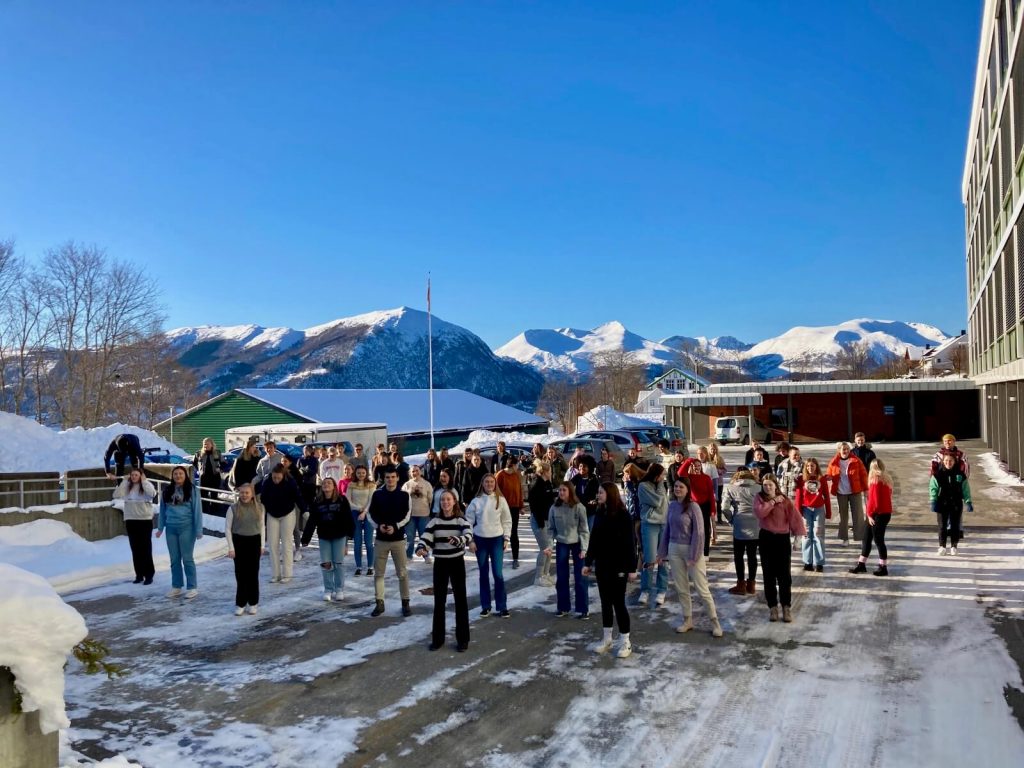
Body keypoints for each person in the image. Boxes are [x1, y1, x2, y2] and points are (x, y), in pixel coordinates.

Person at [658, 477, 723, 637]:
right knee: (681, 588)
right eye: (676, 486)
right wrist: (661, 552)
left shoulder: (693, 507)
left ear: (687, 489)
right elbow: (667, 530)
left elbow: (699, 533)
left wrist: (694, 556)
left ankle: (715, 622)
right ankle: (687, 620)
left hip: (691, 550)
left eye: (681, 487)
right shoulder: (672, 505)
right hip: (674, 550)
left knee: (702, 589)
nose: (677, 489)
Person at [584, 483, 637, 657]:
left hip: (619, 566)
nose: (598, 495)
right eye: (598, 492)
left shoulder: (623, 516)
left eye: (601, 492)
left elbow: (630, 544)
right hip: (602, 565)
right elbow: (594, 540)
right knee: (605, 602)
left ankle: (625, 641)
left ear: (610, 494)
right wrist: (588, 562)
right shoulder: (600, 513)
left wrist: (631, 568)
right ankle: (607, 638)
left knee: (618, 603)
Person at [416, 490, 473, 652]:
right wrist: (422, 547)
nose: (445, 503)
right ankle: (438, 639)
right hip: (440, 563)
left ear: (454, 501)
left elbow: (468, 534)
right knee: (439, 601)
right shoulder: (434, 521)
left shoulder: (460, 520)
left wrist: (460, 540)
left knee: (461, 600)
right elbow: (426, 537)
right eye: (442, 500)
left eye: (448, 499)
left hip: (456, 562)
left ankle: (463, 640)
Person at [753, 474, 805, 623]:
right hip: (766, 538)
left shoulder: (785, 500)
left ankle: (786, 607)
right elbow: (760, 512)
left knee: (784, 576)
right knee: (768, 575)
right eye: (765, 485)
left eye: (770, 485)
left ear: (776, 485)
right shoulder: (759, 498)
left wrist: (798, 537)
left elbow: (795, 518)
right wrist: (773, 501)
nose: (767, 487)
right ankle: (773, 607)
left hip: (782, 539)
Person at [466, 474, 513, 618]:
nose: (489, 484)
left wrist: (506, 538)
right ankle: (485, 606)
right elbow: (468, 522)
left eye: (492, 482)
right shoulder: (476, 501)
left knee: (498, 574)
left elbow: (507, 520)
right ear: (483, 484)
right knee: (483, 574)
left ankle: (502, 606)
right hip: (480, 540)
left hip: (497, 540)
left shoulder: (501, 500)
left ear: (495, 483)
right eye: (486, 482)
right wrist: (471, 540)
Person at [367, 467, 412, 617]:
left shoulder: (405, 495)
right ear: (384, 478)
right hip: (381, 540)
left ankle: (405, 603)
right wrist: (378, 526)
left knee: (402, 573)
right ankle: (379, 603)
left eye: (393, 477)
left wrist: (396, 526)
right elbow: (370, 513)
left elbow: (408, 515)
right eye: (387, 477)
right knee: (378, 573)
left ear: (398, 478)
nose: (390, 480)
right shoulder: (377, 494)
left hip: (398, 540)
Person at [302, 477, 355, 602]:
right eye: (324, 483)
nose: (326, 485)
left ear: (334, 486)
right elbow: (312, 521)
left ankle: (339, 589)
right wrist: (306, 538)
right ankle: (328, 589)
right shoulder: (317, 502)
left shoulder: (342, 500)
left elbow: (348, 518)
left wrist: (349, 535)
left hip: (339, 536)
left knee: (338, 563)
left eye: (329, 483)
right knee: (326, 564)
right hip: (324, 536)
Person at [156, 465, 203, 599]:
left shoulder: (193, 490)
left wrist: (198, 529)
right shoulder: (167, 490)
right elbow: (163, 511)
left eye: (180, 474)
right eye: (175, 474)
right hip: (171, 528)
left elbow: (197, 511)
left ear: (185, 475)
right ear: (172, 476)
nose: (178, 476)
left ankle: (192, 587)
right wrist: (160, 528)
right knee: (174, 559)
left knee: (187, 558)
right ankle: (176, 586)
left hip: (187, 528)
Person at [544, 482, 590, 619]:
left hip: (577, 543)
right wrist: (549, 545)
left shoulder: (579, 507)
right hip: (562, 543)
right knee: (562, 576)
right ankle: (563, 607)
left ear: (570, 492)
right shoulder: (554, 508)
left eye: (564, 490)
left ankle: (583, 608)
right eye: (560, 490)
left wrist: (584, 548)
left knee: (580, 576)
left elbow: (584, 530)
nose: (561, 493)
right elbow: (551, 530)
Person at [225, 483, 265, 615]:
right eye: (242, 492)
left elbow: (262, 527)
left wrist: (262, 545)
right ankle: (241, 602)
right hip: (239, 542)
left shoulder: (260, 508)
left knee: (253, 574)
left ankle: (253, 602)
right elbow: (227, 529)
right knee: (241, 574)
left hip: (254, 541)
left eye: (247, 492)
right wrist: (231, 547)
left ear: (252, 494)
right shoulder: (233, 509)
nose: (244, 495)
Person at [259, 464, 303, 584]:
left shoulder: (291, 482)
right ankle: (276, 574)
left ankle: (287, 574)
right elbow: (263, 498)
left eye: (279, 478)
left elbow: (298, 497)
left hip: (288, 513)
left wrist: (305, 509)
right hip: (272, 514)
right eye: (274, 478)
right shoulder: (267, 481)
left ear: (283, 475)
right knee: (272, 544)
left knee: (286, 543)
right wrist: (263, 512)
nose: (276, 480)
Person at [113, 469, 157, 584]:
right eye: (132, 475)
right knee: (135, 549)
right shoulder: (127, 486)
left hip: (144, 520)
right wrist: (123, 481)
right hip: (131, 520)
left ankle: (149, 575)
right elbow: (116, 495)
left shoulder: (146, 485)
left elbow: (152, 494)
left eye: (136, 475)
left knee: (146, 549)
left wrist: (144, 481)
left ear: (140, 476)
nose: (133, 477)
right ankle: (139, 574)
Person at [850, 460, 893, 576]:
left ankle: (883, 567)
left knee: (878, 540)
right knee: (867, 538)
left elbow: (874, 502)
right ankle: (861, 564)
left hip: (877, 514)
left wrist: (869, 514)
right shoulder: (887, 480)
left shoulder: (875, 481)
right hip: (885, 513)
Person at [722, 469, 760, 596]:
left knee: (738, 556)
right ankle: (751, 584)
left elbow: (724, 508)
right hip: (755, 524)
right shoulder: (758, 488)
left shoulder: (731, 488)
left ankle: (740, 584)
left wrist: (731, 519)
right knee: (752, 556)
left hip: (739, 523)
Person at [637, 463, 669, 607]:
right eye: (662, 475)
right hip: (649, 524)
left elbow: (664, 503)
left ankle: (662, 590)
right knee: (649, 558)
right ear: (656, 475)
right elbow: (657, 501)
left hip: (664, 524)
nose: (663, 477)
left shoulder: (661, 485)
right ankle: (645, 590)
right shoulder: (643, 486)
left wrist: (661, 486)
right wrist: (661, 486)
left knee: (663, 559)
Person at [930, 450, 973, 555]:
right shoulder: (937, 474)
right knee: (942, 525)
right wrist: (933, 501)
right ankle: (942, 546)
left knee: (955, 525)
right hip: (942, 503)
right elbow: (933, 488)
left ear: (954, 462)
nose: (948, 463)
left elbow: (966, 489)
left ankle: (954, 546)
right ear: (943, 461)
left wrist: (968, 501)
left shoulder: (960, 475)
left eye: (950, 461)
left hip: (956, 503)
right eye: (946, 460)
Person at [827, 442, 869, 545]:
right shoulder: (833, 462)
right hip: (841, 492)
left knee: (858, 515)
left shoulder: (856, 460)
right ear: (839, 450)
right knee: (843, 516)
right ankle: (844, 538)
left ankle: (860, 538)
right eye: (843, 449)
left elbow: (863, 475)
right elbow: (829, 474)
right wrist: (827, 478)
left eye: (847, 449)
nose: (845, 451)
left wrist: (866, 489)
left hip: (855, 491)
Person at [794, 459, 831, 572]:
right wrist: (798, 512)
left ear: (816, 466)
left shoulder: (822, 479)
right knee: (807, 536)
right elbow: (799, 496)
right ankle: (807, 562)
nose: (810, 468)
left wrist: (828, 511)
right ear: (806, 467)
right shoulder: (801, 479)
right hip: (806, 510)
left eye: (813, 466)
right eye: (808, 466)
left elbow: (826, 496)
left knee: (818, 535)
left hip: (818, 509)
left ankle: (819, 563)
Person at [678, 458, 716, 558]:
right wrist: (689, 461)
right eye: (695, 466)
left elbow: (711, 495)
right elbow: (680, 472)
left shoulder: (706, 478)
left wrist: (713, 509)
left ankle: (705, 552)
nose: (697, 468)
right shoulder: (689, 477)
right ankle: (694, 549)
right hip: (693, 505)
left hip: (705, 505)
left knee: (705, 529)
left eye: (699, 466)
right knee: (693, 529)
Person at [527, 459, 557, 585]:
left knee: (549, 548)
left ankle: (546, 574)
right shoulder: (536, 484)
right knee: (545, 549)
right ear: (544, 471)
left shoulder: (547, 483)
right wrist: (541, 523)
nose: (551, 472)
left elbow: (550, 500)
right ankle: (538, 577)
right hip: (539, 521)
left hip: (548, 520)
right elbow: (534, 506)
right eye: (550, 470)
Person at [495, 457, 525, 569]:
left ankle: (515, 558)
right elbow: (495, 491)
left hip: (514, 508)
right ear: (513, 465)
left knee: (513, 533)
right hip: (502, 509)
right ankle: (498, 558)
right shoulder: (500, 475)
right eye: (517, 465)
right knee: (500, 533)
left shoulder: (516, 475)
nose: (518, 467)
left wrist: (521, 506)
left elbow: (519, 491)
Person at [346, 465, 376, 576]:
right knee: (357, 542)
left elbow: (371, 500)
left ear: (366, 473)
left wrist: (364, 512)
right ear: (355, 473)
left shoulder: (371, 484)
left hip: (368, 514)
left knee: (368, 543)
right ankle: (358, 566)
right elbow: (348, 500)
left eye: (363, 473)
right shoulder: (351, 485)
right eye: (359, 473)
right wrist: (358, 509)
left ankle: (370, 566)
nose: (361, 475)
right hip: (355, 513)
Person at [402, 465, 434, 561]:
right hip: (410, 515)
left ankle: (426, 555)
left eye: (417, 471)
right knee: (410, 537)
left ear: (420, 472)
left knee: (424, 537)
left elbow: (431, 499)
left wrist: (431, 513)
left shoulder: (427, 484)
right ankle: (408, 555)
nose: (415, 473)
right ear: (410, 473)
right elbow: (402, 499)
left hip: (424, 514)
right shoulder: (406, 485)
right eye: (413, 471)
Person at [192, 438, 223, 518]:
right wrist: (199, 470)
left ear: (212, 444)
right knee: (203, 495)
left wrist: (220, 468)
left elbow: (223, 463)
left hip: (215, 477)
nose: (205, 445)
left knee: (214, 495)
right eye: (204, 444)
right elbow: (194, 463)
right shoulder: (198, 453)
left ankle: (215, 513)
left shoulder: (217, 453)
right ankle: (204, 513)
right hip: (204, 478)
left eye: (207, 444)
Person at [572, 460, 600, 528]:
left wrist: (596, 500)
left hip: (590, 510)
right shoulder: (577, 477)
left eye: (584, 466)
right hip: (578, 510)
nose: (581, 468)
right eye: (580, 466)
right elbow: (568, 487)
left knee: (589, 530)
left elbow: (599, 493)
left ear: (589, 468)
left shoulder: (593, 479)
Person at [297, 445, 321, 519]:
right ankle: (301, 523)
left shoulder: (314, 460)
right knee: (301, 503)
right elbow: (297, 470)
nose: (305, 451)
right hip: (302, 484)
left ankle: (310, 520)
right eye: (304, 450)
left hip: (311, 484)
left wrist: (304, 470)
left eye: (307, 450)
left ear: (310, 451)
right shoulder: (300, 459)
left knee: (310, 503)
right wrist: (304, 470)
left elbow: (313, 471)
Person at [708, 443, 727, 516]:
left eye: (714, 449)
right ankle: (710, 515)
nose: (713, 450)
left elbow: (725, 470)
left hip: (719, 482)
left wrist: (718, 471)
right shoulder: (707, 458)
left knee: (718, 500)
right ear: (709, 450)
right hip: (709, 482)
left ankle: (719, 517)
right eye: (711, 449)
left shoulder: (720, 458)